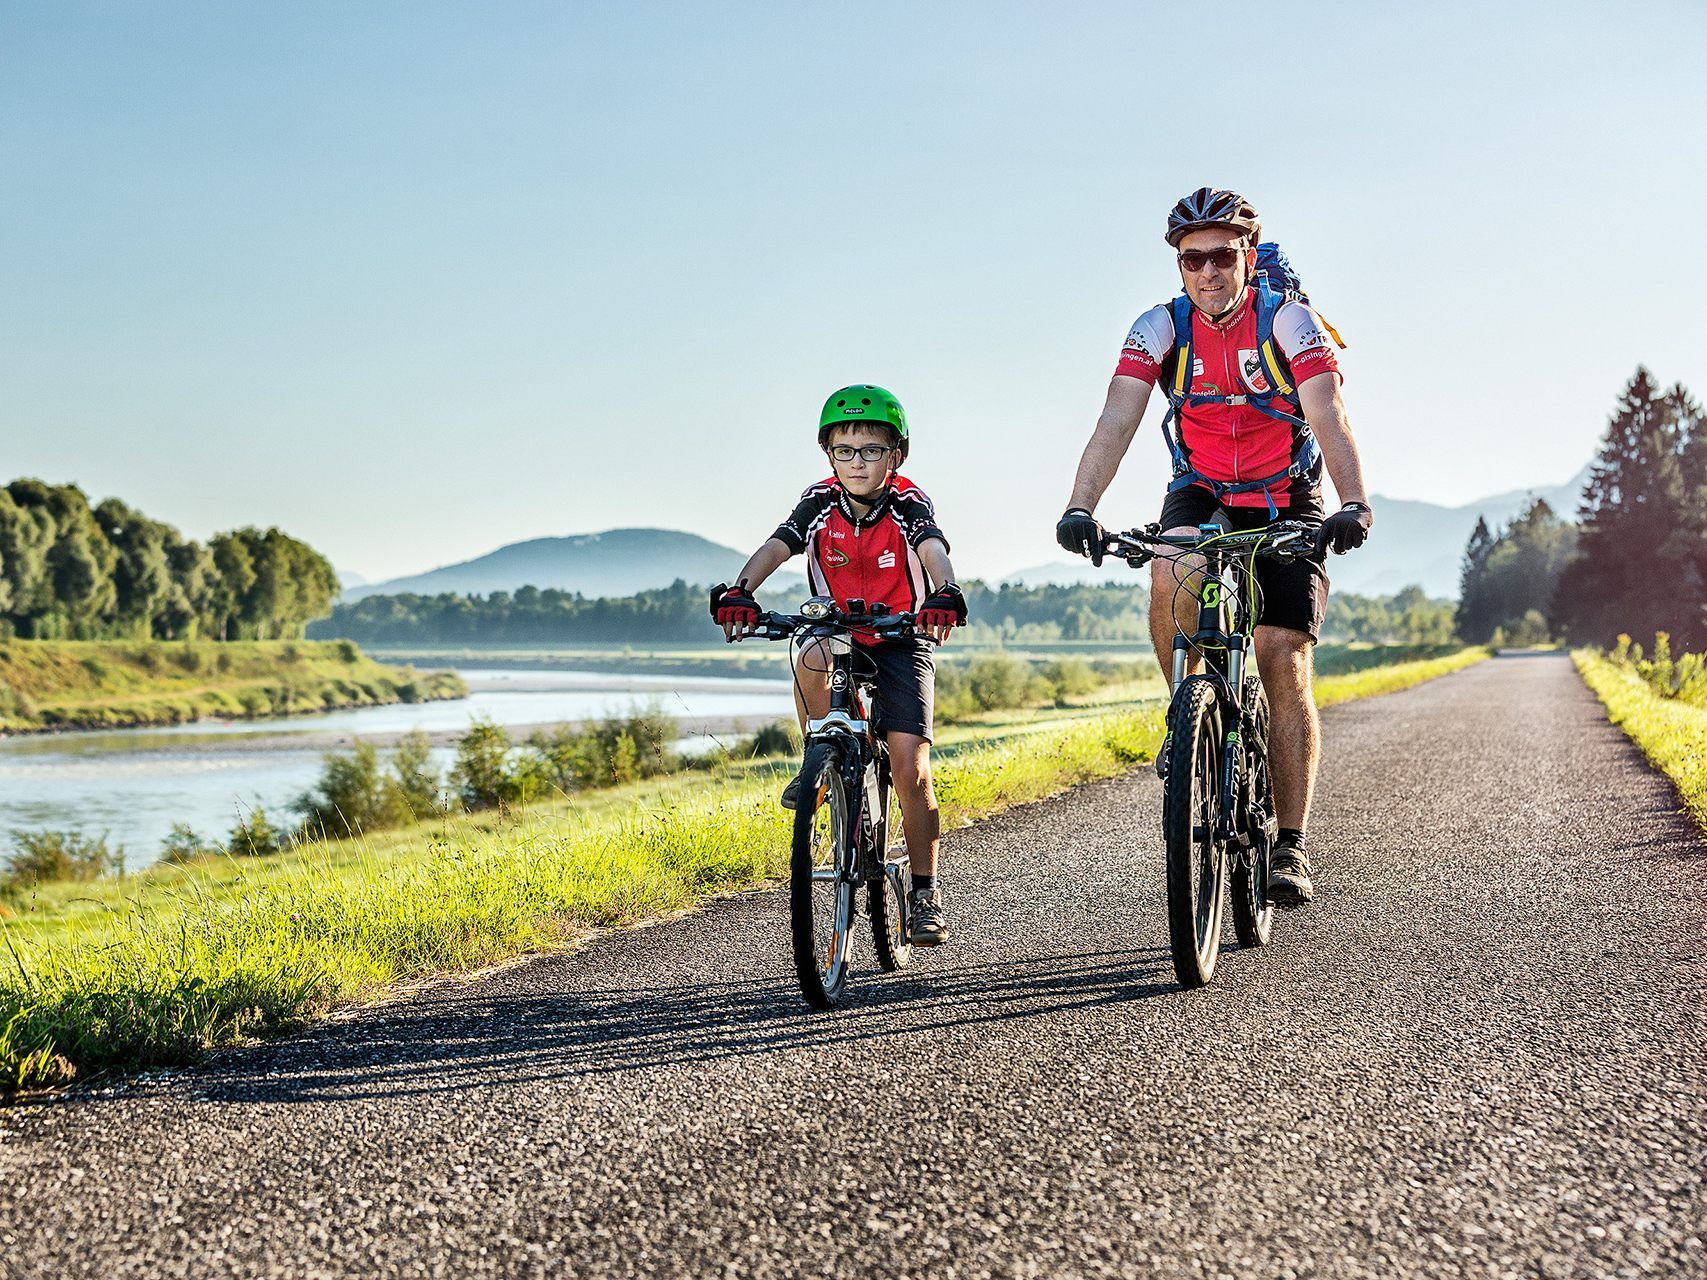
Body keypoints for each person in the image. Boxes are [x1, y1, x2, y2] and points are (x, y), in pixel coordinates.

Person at [1055, 188, 1373, 905]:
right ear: (1178, 265)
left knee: (1280, 654)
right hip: (1200, 488)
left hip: (1285, 491)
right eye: (1190, 257)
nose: (1206, 270)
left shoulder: (1287, 322)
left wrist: (1352, 501)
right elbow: (1116, 419)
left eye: (1221, 255)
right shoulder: (1157, 328)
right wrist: (1081, 506)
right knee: (1170, 571)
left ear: (1247, 258)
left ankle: (1289, 845)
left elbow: (1328, 410)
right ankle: (1185, 711)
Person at [709, 385, 967, 945]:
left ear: (896, 455)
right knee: (806, 644)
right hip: (836, 629)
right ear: (829, 454)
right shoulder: (819, 500)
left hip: (902, 635)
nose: (857, 462)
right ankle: (819, 758)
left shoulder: (907, 501)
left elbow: (932, 547)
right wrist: (740, 589)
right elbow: (780, 543)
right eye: (845, 450)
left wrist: (945, 591)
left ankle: (924, 892)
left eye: (871, 450)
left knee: (910, 769)